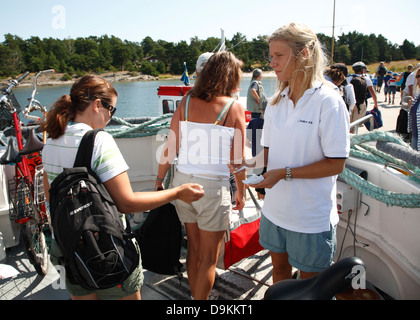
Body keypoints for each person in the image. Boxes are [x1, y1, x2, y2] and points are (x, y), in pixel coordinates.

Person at [41, 75, 204, 300]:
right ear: (97, 105)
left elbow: (51, 197)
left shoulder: (51, 140)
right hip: (104, 248)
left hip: (67, 246)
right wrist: (177, 193)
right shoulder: (99, 140)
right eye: (111, 110)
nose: (110, 117)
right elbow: (126, 203)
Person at [230, 22, 350, 283]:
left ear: (304, 53)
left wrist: (284, 174)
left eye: (279, 55)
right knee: (280, 275)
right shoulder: (275, 103)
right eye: (270, 56)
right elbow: (269, 154)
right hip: (275, 211)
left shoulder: (328, 102)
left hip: (310, 218)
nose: (272, 62)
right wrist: (247, 163)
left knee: (310, 287)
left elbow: (336, 164)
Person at [155, 51, 246, 300]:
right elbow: (236, 160)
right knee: (208, 259)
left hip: (182, 183)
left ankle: (196, 298)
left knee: (194, 252)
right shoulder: (233, 108)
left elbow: (170, 147)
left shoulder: (185, 102)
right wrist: (241, 191)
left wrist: (159, 180)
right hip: (211, 190)